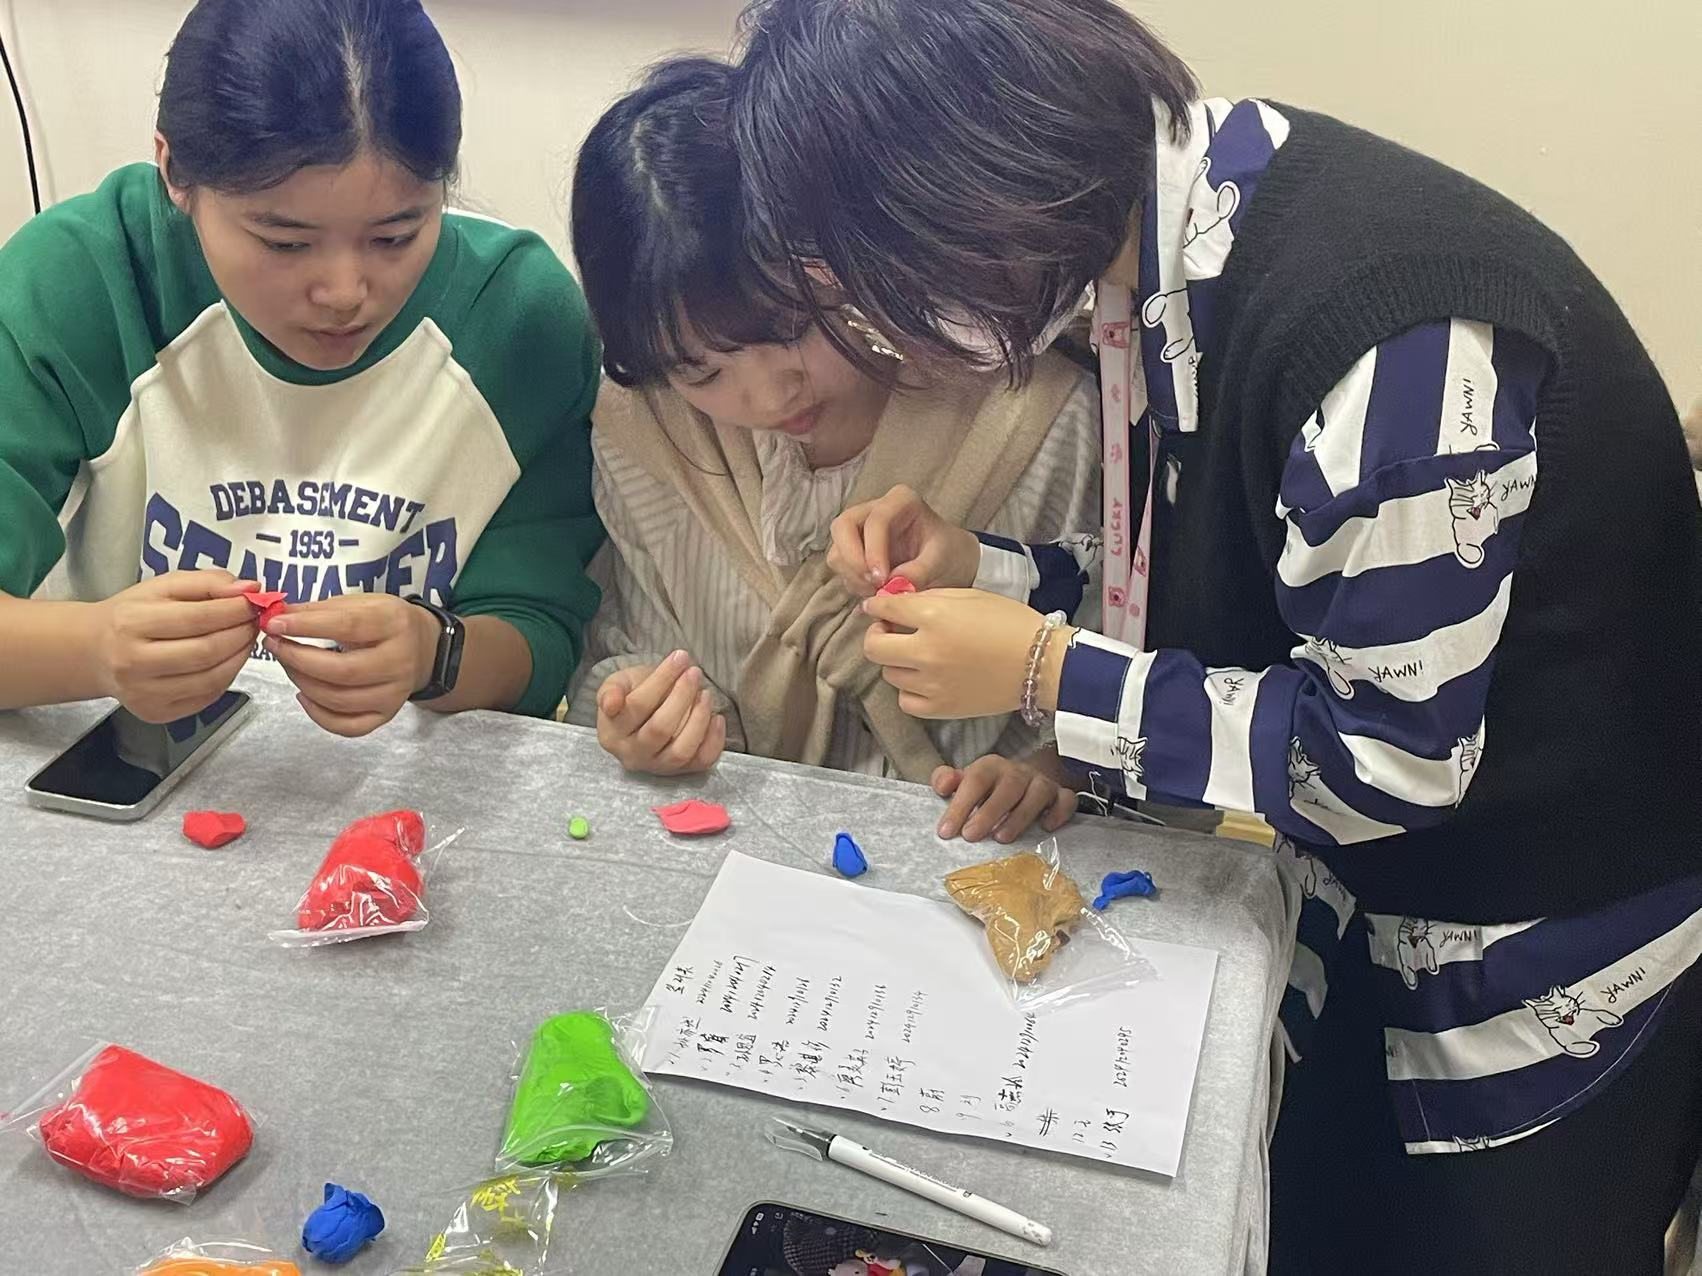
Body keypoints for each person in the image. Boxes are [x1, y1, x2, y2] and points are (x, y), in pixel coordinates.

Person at [729, 1, 1702, 1271]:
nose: (884, 335)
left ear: (965, 187)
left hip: (1543, 948)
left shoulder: (1383, 351)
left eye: (877, 292)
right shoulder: (1158, 254)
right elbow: (1228, 578)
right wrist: (987, 568)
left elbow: (1386, 758)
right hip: (1364, 905)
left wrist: (1041, 670)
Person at [0, 0, 603, 736]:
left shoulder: (517, 320)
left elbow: (539, 637)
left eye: (395, 236)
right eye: (285, 243)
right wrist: (95, 651)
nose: (344, 293)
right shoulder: (82, 281)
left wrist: (433, 654)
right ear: (174, 172)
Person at [567, 58, 1100, 842]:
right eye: (703, 372)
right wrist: (645, 716)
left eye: (790, 326)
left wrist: (1059, 771)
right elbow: (623, 651)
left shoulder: (1031, 411)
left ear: (844, 256)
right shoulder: (649, 426)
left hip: (989, 854)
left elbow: (1127, 666)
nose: (769, 396)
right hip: (749, 856)